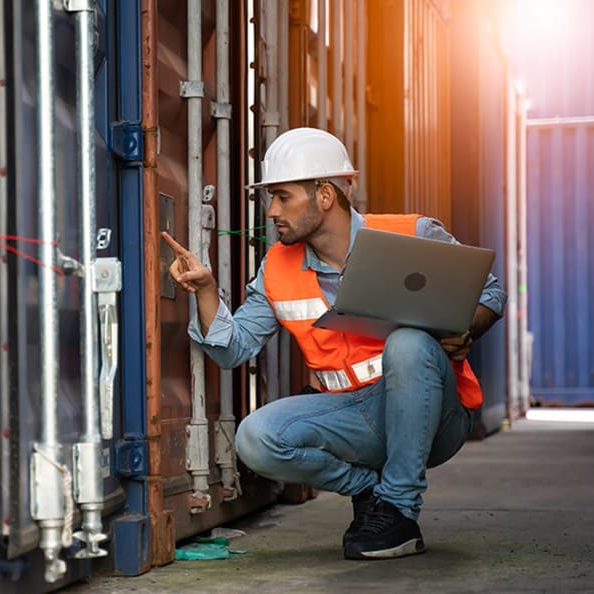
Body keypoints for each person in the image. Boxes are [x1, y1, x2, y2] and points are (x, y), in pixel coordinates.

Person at [161, 127, 506, 560]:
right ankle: (372, 495)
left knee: (410, 343)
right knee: (255, 437)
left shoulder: (412, 233)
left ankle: (400, 511)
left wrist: (464, 329)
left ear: (325, 195)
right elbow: (233, 348)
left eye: (283, 197)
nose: (271, 211)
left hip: (435, 418)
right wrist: (207, 290)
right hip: (352, 417)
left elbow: (491, 294)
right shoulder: (277, 268)